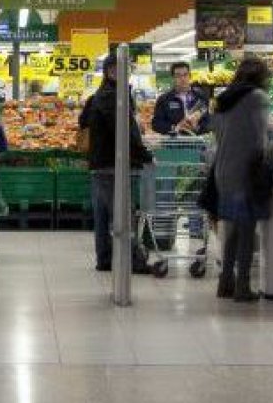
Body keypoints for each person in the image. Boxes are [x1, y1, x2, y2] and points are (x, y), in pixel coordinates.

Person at [79, 56, 153, 272]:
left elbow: (83, 122)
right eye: (122, 69)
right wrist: (145, 155)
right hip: (113, 163)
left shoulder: (98, 96)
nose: (126, 73)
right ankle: (134, 261)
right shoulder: (114, 97)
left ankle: (104, 258)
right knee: (122, 214)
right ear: (111, 72)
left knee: (102, 214)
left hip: (100, 162)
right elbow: (125, 132)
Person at [210, 57, 273, 302]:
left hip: (223, 169)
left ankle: (225, 281)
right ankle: (242, 286)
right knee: (246, 229)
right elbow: (260, 138)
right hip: (245, 171)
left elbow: (218, 134)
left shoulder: (223, 99)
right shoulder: (257, 98)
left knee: (233, 230)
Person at [151, 62, 210, 136]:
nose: (182, 79)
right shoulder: (164, 99)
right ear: (173, 78)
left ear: (190, 76)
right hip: (174, 141)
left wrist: (197, 127)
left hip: (198, 140)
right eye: (178, 76)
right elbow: (156, 124)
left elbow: (209, 121)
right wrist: (175, 127)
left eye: (185, 75)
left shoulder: (201, 97)